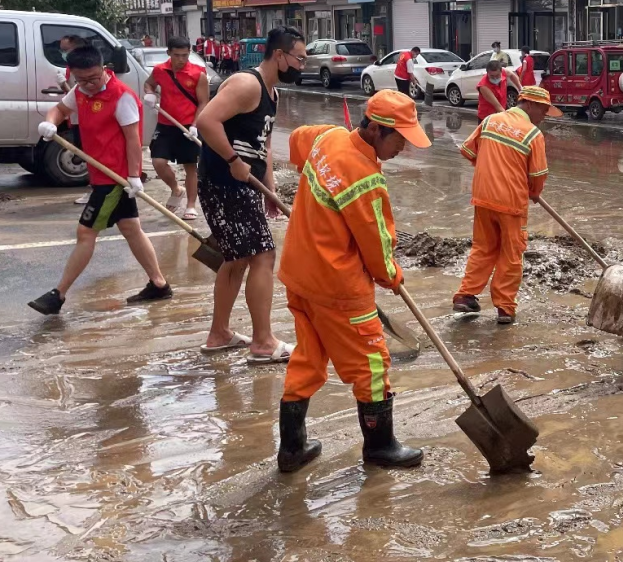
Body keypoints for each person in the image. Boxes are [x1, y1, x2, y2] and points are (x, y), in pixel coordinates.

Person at [276, 90, 431, 472]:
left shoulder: (327, 138)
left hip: (299, 275)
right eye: (400, 140)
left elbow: (297, 142)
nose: (404, 149)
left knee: (308, 359)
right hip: (338, 289)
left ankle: (291, 449)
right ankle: (380, 446)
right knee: (372, 364)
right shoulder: (365, 180)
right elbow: (377, 249)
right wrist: (392, 276)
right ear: (377, 130)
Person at [28, 45, 172, 315]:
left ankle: (57, 295)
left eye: (93, 78)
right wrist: (49, 122)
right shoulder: (80, 91)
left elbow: (133, 140)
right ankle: (159, 284)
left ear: (103, 68)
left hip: (114, 178)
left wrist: (133, 175)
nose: (88, 85)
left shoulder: (121, 97)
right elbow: (59, 109)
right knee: (131, 229)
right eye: (81, 80)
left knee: (85, 233)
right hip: (101, 173)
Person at [195, 26, 308, 364]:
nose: (302, 66)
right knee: (263, 256)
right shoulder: (247, 84)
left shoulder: (272, 94)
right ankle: (262, 342)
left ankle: (219, 334)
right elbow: (206, 121)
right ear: (279, 55)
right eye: (299, 59)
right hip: (223, 183)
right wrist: (232, 160)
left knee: (239, 257)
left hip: (245, 186)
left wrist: (270, 190)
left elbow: (264, 147)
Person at [453, 86, 559, 324]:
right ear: (528, 104)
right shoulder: (533, 134)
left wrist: (490, 168)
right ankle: (505, 308)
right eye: (543, 110)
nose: (544, 116)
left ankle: (465, 295)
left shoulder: (491, 121)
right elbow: (539, 175)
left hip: (483, 196)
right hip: (511, 202)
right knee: (512, 254)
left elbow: (468, 150)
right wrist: (533, 192)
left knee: (483, 247)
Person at [143, 35, 208, 219]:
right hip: (165, 124)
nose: (181, 60)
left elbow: (204, 102)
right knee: (158, 162)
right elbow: (149, 84)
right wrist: (150, 94)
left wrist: (195, 125)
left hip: (189, 126)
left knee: (190, 167)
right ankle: (176, 189)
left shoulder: (198, 73)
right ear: (169, 53)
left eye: (185, 55)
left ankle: (191, 205)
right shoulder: (160, 70)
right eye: (177, 55)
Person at [56, 35, 93, 206]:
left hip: (88, 119)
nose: (63, 53)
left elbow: (81, 95)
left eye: (66, 50)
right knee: (86, 154)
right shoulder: (70, 68)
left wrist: (64, 84)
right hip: (78, 119)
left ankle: (94, 189)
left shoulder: (89, 69)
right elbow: (73, 96)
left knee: (90, 155)